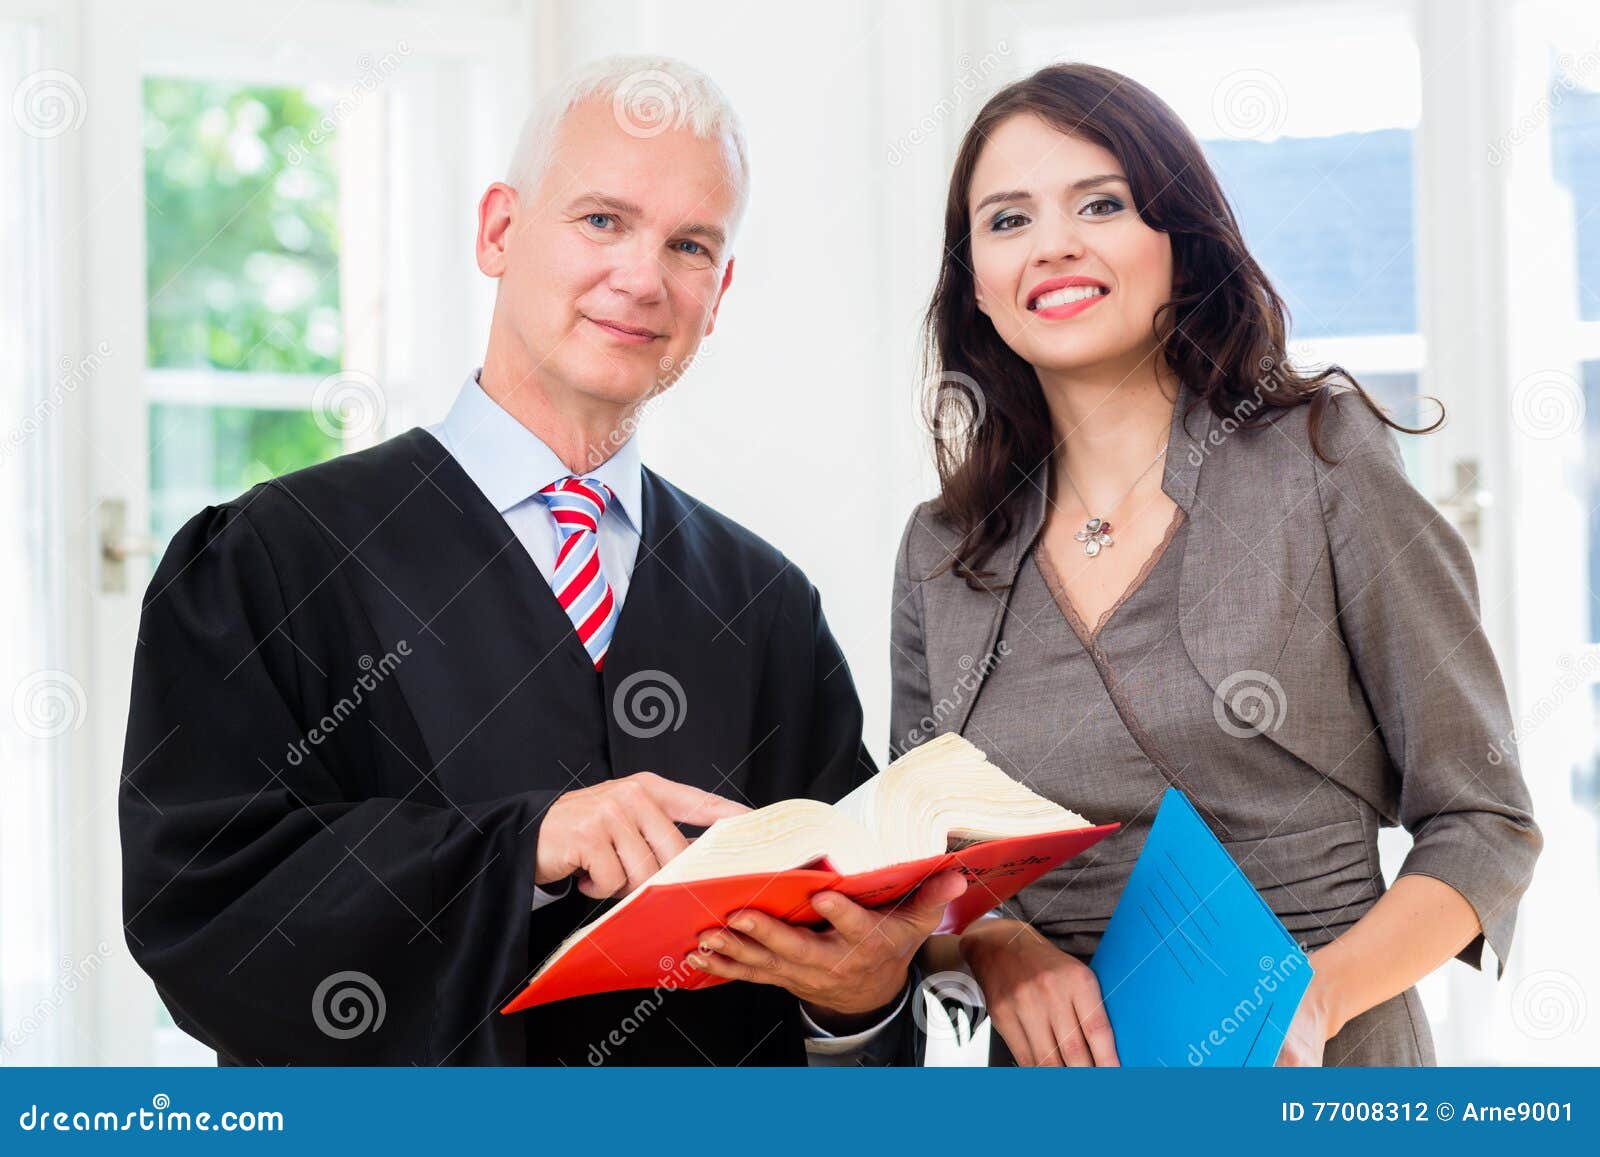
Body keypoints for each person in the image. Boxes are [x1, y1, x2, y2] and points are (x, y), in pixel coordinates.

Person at [119, 54, 963, 1067]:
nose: (643, 277)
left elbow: (840, 945)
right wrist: (526, 846)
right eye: (602, 219)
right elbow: (205, 909)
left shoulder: (764, 602)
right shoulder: (273, 557)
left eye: (689, 244)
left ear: (719, 288)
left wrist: (861, 993)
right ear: (499, 230)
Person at [894, 63, 1541, 1067]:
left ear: (1179, 241)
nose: (1054, 242)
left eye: (1099, 203)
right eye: (1007, 219)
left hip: (1320, 1074)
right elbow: (917, 867)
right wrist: (996, 943)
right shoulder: (944, 549)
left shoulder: (1324, 462)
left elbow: (1485, 821)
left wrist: (1312, 1000)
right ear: (974, 280)